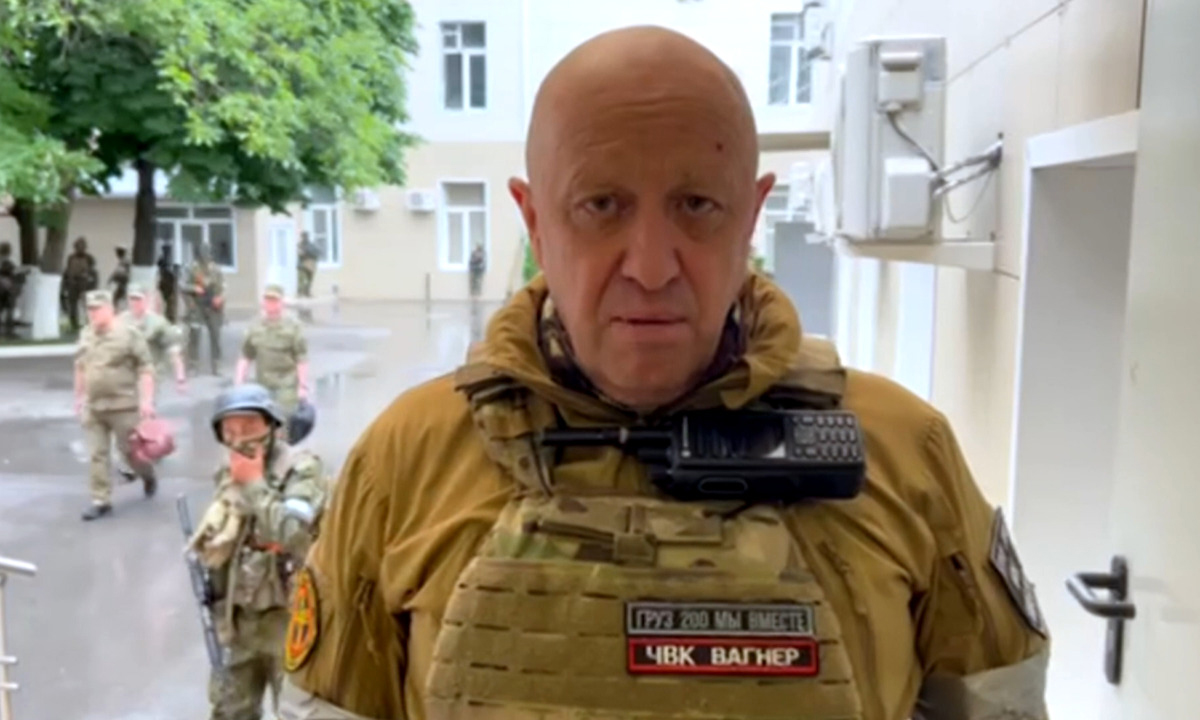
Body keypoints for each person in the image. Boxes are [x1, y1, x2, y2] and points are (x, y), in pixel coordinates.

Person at [278, 27, 1050, 720]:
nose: (651, 268)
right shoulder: (407, 462)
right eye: (601, 205)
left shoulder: (903, 454)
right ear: (535, 221)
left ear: (751, 215)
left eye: (697, 204)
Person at [187, 383, 327, 720]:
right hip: (239, 620)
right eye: (230, 430)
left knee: (295, 711)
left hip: (290, 619)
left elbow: (293, 533)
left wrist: (252, 483)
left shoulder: (302, 469)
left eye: (250, 426)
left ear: (272, 426)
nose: (240, 438)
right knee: (229, 710)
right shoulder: (228, 474)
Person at [74, 289, 156, 520]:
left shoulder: (128, 334)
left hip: (123, 406)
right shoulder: (86, 334)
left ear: (110, 309)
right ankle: (101, 500)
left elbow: (146, 368)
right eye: (90, 309)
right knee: (97, 454)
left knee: (130, 453)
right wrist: (78, 398)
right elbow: (80, 367)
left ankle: (147, 475)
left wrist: (147, 401)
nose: (93, 313)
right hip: (95, 407)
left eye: (97, 309)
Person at [235, 284, 310, 417]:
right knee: (264, 422)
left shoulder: (294, 327)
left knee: (283, 420)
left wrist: (303, 387)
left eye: (274, 300)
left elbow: (301, 358)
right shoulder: (255, 327)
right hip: (262, 386)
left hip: (286, 386)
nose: (271, 305)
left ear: (282, 303)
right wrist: (239, 383)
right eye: (268, 300)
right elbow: (245, 356)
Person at [120, 283, 187, 392]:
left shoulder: (158, 323)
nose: (135, 303)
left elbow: (173, 351)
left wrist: (180, 378)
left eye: (138, 299)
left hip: (150, 376)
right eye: (132, 299)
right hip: (126, 377)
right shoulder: (121, 321)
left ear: (146, 300)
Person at [182, 242, 226, 376]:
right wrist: (194, 288)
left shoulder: (216, 270)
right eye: (203, 253)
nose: (205, 256)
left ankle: (217, 365)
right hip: (197, 305)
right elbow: (183, 285)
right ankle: (193, 365)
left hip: (213, 306)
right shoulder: (192, 269)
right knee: (194, 335)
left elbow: (223, 287)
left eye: (207, 253)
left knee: (215, 336)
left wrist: (220, 298)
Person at [62, 236, 97, 332]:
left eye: (82, 246)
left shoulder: (89, 258)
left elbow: (93, 272)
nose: (79, 248)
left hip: (84, 284)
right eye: (78, 246)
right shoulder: (71, 258)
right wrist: (65, 283)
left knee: (87, 305)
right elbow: (67, 271)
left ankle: (90, 324)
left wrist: (92, 285)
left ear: (85, 247)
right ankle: (74, 324)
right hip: (72, 284)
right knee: (72, 305)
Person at [296, 232, 319, 323]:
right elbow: (300, 255)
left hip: (309, 265)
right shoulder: (300, 245)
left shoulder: (310, 245)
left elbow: (315, 254)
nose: (304, 238)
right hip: (302, 265)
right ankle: (301, 292)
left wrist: (307, 254)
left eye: (305, 236)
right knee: (302, 279)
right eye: (303, 236)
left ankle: (306, 292)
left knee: (308, 280)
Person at [157, 244, 179, 323]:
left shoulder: (166, 262)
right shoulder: (164, 262)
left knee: (169, 303)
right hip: (167, 284)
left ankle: (169, 318)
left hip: (168, 284)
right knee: (168, 303)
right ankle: (169, 318)